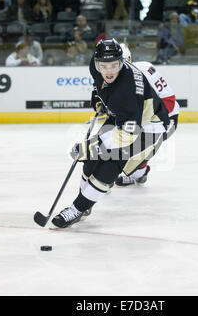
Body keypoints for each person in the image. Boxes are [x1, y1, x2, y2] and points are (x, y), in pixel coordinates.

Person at [51, 39, 171, 228]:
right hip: (121, 117)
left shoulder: (128, 90)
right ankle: (84, 200)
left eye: (114, 65)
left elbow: (128, 134)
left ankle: (78, 208)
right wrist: (97, 97)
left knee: (111, 162)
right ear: (96, 63)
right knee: (90, 159)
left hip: (148, 125)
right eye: (104, 66)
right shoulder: (97, 65)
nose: (109, 71)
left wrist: (92, 147)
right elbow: (98, 83)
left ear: (122, 62)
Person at [114, 43, 179, 187]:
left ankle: (138, 172)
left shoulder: (144, 69)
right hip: (142, 117)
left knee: (142, 148)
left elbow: (168, 99)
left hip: (165, 118)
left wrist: (147, 123)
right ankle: (138, 173)